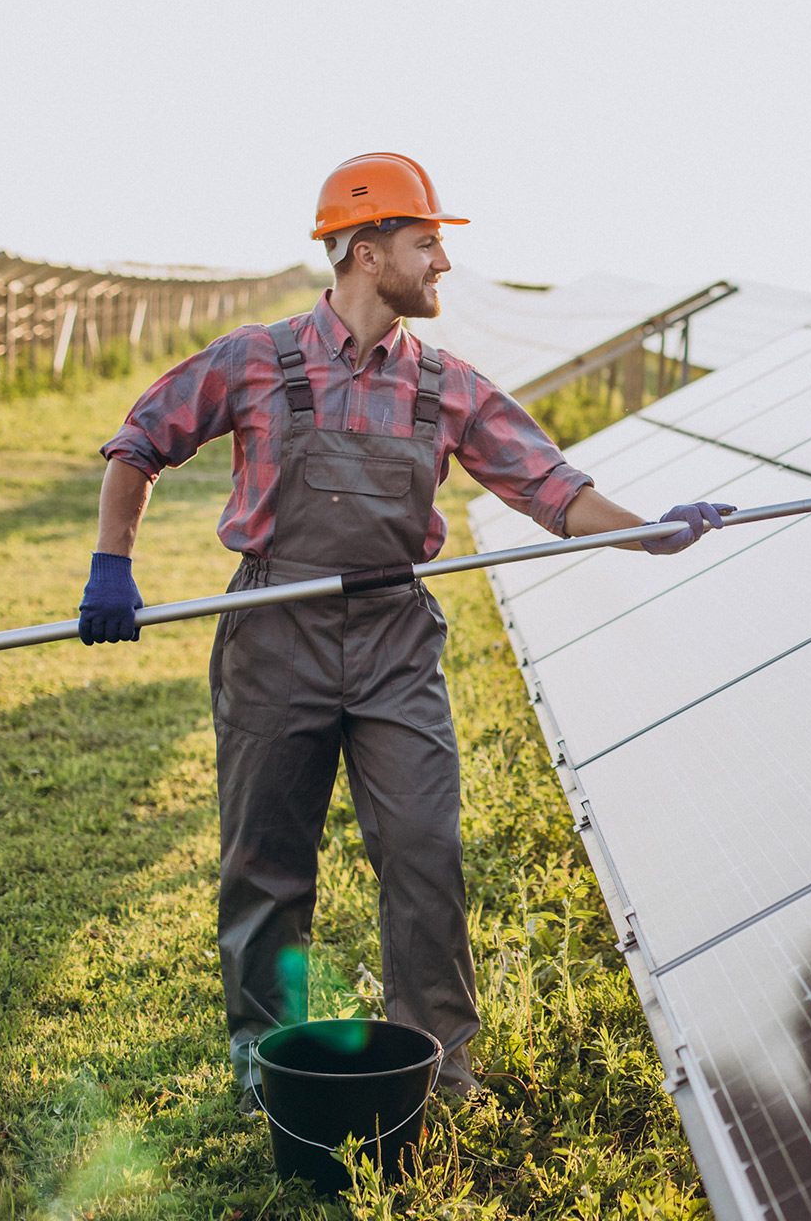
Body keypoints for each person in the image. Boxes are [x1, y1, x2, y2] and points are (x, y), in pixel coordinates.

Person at [77, 152, 729, 1110]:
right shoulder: (256, 358)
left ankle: (439, 1065)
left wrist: (646, 533)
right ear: (365, 248)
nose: (443, 265)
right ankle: (269, 1060)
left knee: (424, 853)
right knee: (267, 864)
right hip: (274, 629)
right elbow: (139, 444)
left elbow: (551, 488)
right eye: (428, 244)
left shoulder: (448, 384)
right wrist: (111, 566)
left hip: (393, 640)